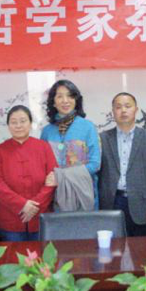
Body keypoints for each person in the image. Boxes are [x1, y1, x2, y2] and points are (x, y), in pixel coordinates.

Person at [98, 93, 146, 237]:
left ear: (136, 109)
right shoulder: (102, 138)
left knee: (142, 248)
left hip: (142, 203)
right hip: (112, 201)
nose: (123, 110)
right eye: (118, 107)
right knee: (113, 247)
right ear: (113, 112)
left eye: (128, 106)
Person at [0, 105, 58, 241]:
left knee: (43, 254)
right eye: (13, 122)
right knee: (12, 254)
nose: (18, 126)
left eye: (23, 121)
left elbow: (52, 180)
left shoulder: (44, 147)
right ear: (8, 126)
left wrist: (34, 207)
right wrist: (22, 205)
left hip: (41, 217)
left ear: (30, 123)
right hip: (10, 219)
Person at [40, 79, 101, 210]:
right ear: (53, 102)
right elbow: (42, 165)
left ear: (76, 100)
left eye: (70, 96)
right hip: (55, 196)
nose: (65, 100)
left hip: (84, 193)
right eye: (60, 96)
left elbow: (95, 164)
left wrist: (61, 176)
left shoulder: (88, 127)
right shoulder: (47, 131)